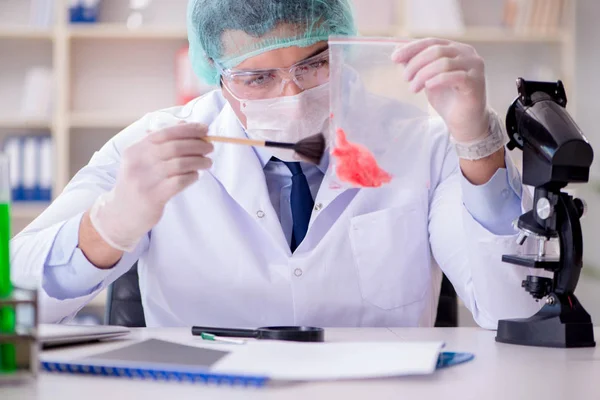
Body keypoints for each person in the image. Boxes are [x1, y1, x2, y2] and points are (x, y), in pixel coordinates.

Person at [12, 0, 542, 328]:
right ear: (215, 73)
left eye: (313, 64)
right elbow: (16, 295)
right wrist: (107, 228)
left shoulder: (420, 142)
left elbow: (513, 311)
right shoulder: (151, 146)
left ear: (340, 45)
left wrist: (476, 138)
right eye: (258, 78)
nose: (291, 93)